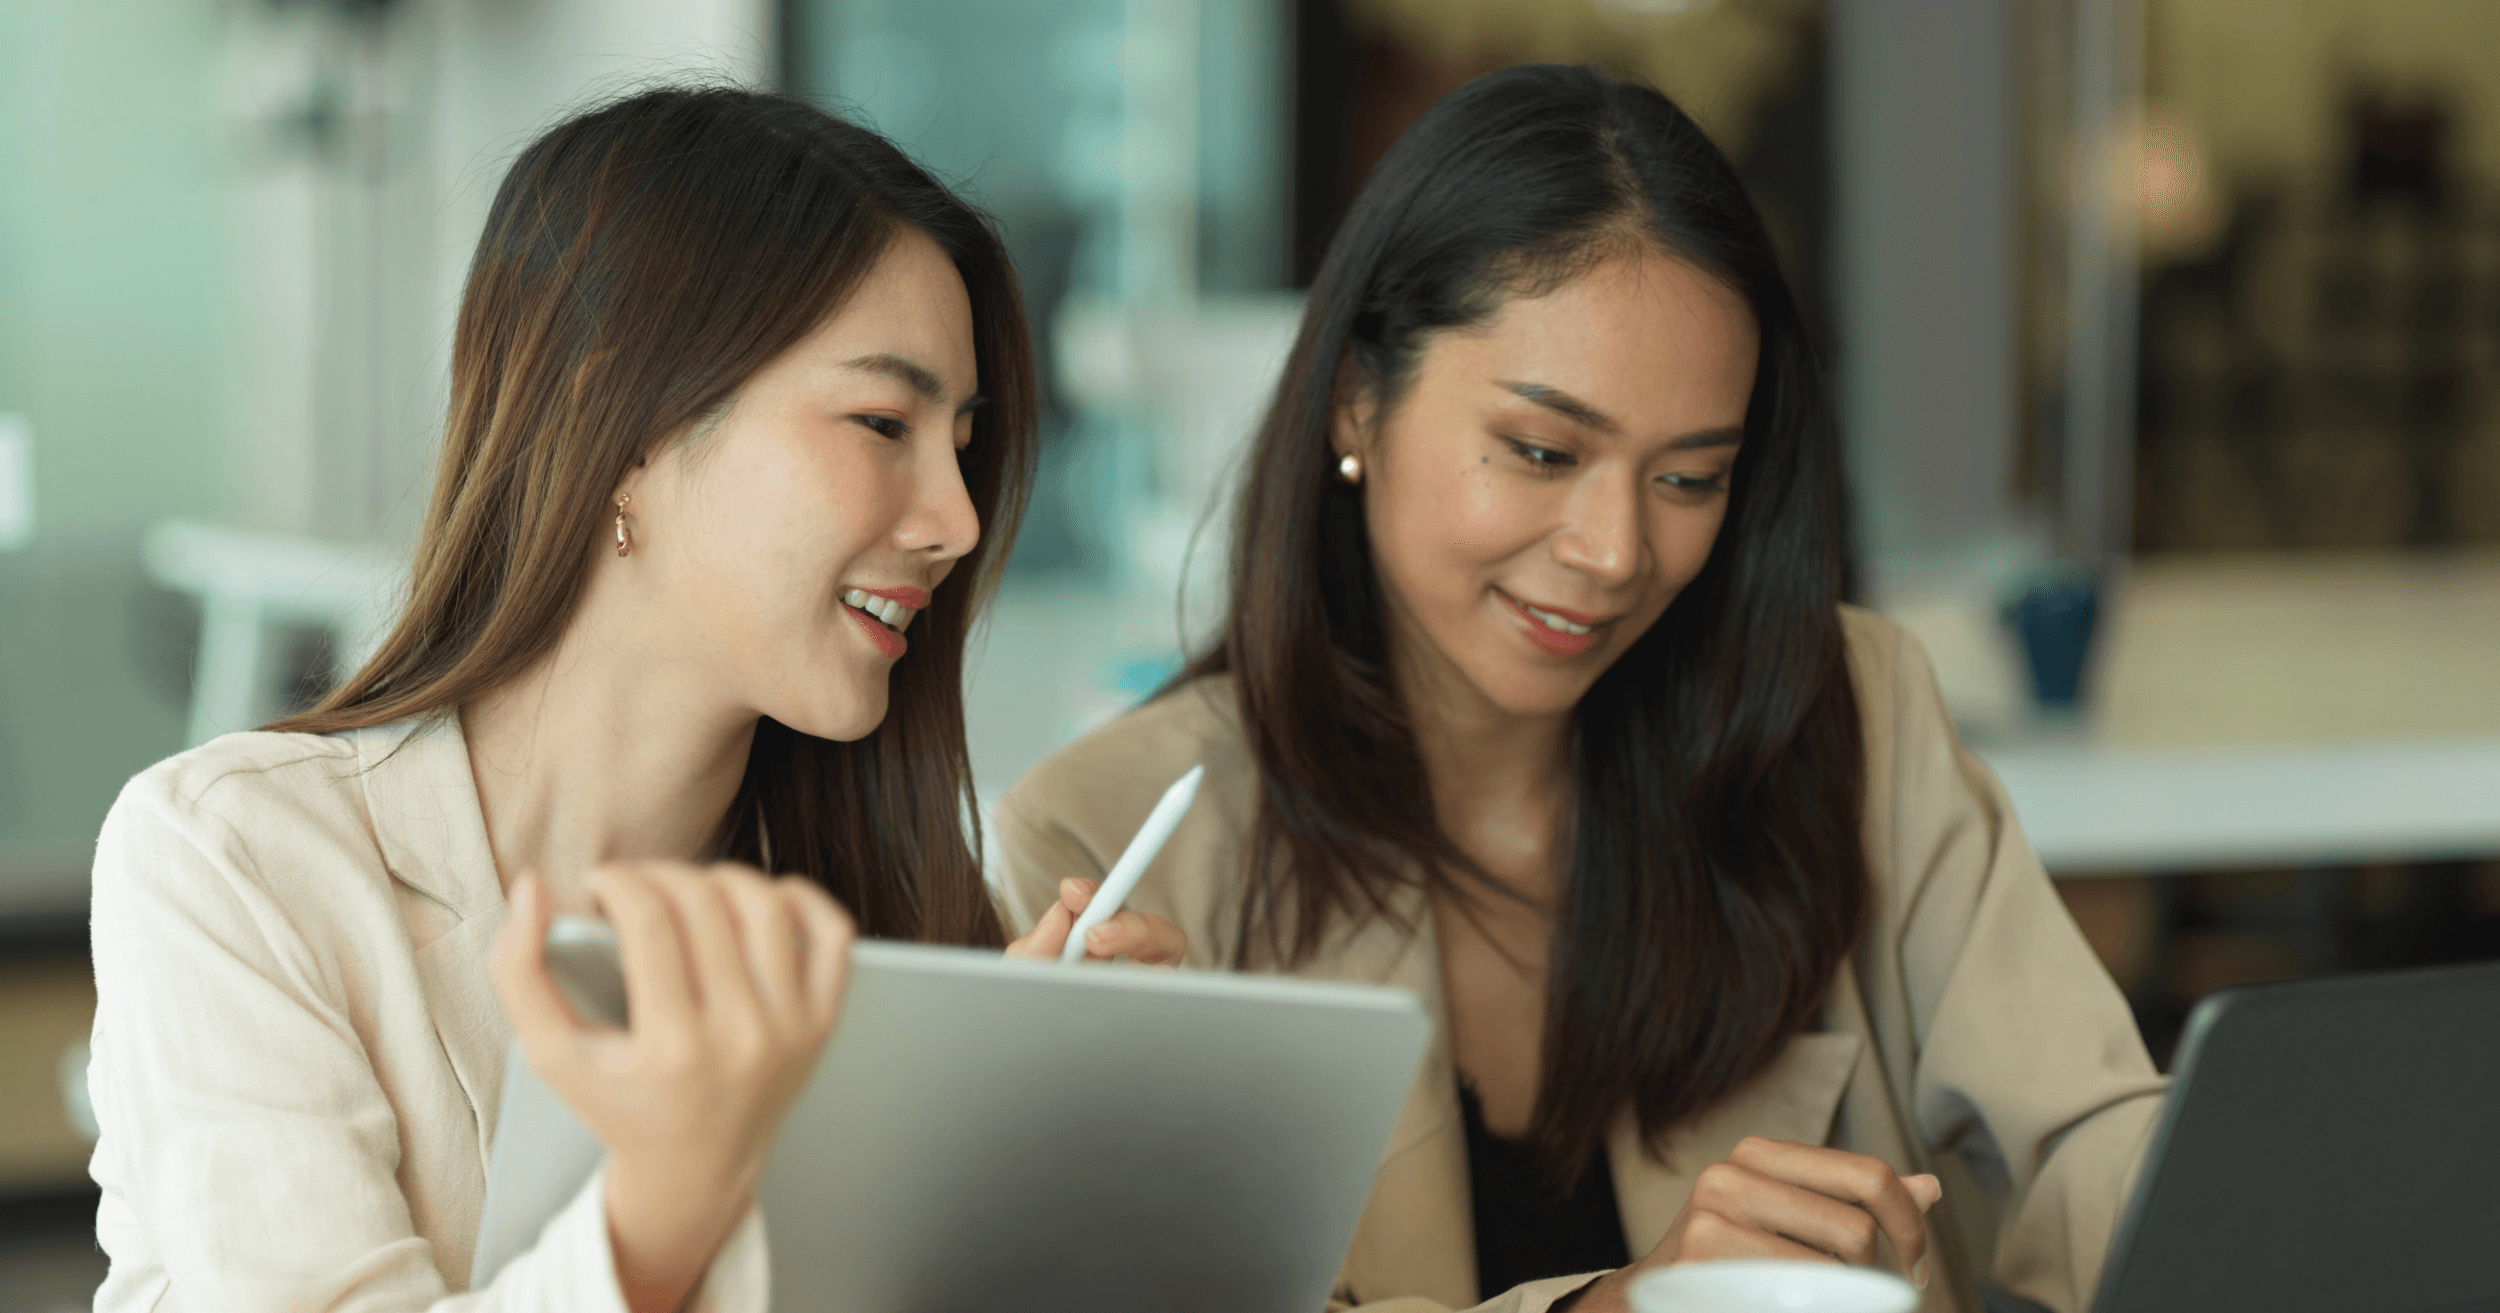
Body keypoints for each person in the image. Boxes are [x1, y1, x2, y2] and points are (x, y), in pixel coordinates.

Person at [995, 64, 2164, 1313]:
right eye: (1543, 451)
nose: (1614, 551)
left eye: (1689, 478)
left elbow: (2102, 1151)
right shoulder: (1107, 844)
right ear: (1355, 396)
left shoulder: (1849, 715)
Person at [85, 87, 1179, 1313]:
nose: (957, 521)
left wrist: (1080, 1159)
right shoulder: (238, 858)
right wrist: (667, 1202)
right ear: (624, 430)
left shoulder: (901, 918)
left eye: (963, 445)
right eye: (883, 422)